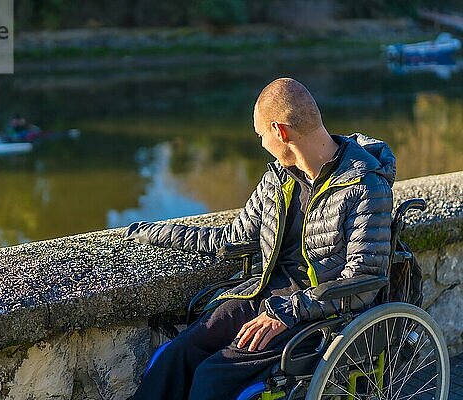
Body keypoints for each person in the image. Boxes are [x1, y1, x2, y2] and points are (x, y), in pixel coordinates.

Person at [123, 78, 395, 400]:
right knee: (180, 353)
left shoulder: (365, 186)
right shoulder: (278, 178)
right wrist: (151, 232)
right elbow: (230, 237)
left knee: (213, 375)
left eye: (260, 134)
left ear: (281, 132)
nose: (262, 143)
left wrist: (288, 311)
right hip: (264, 293)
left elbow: (364, 278)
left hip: (321, 315)